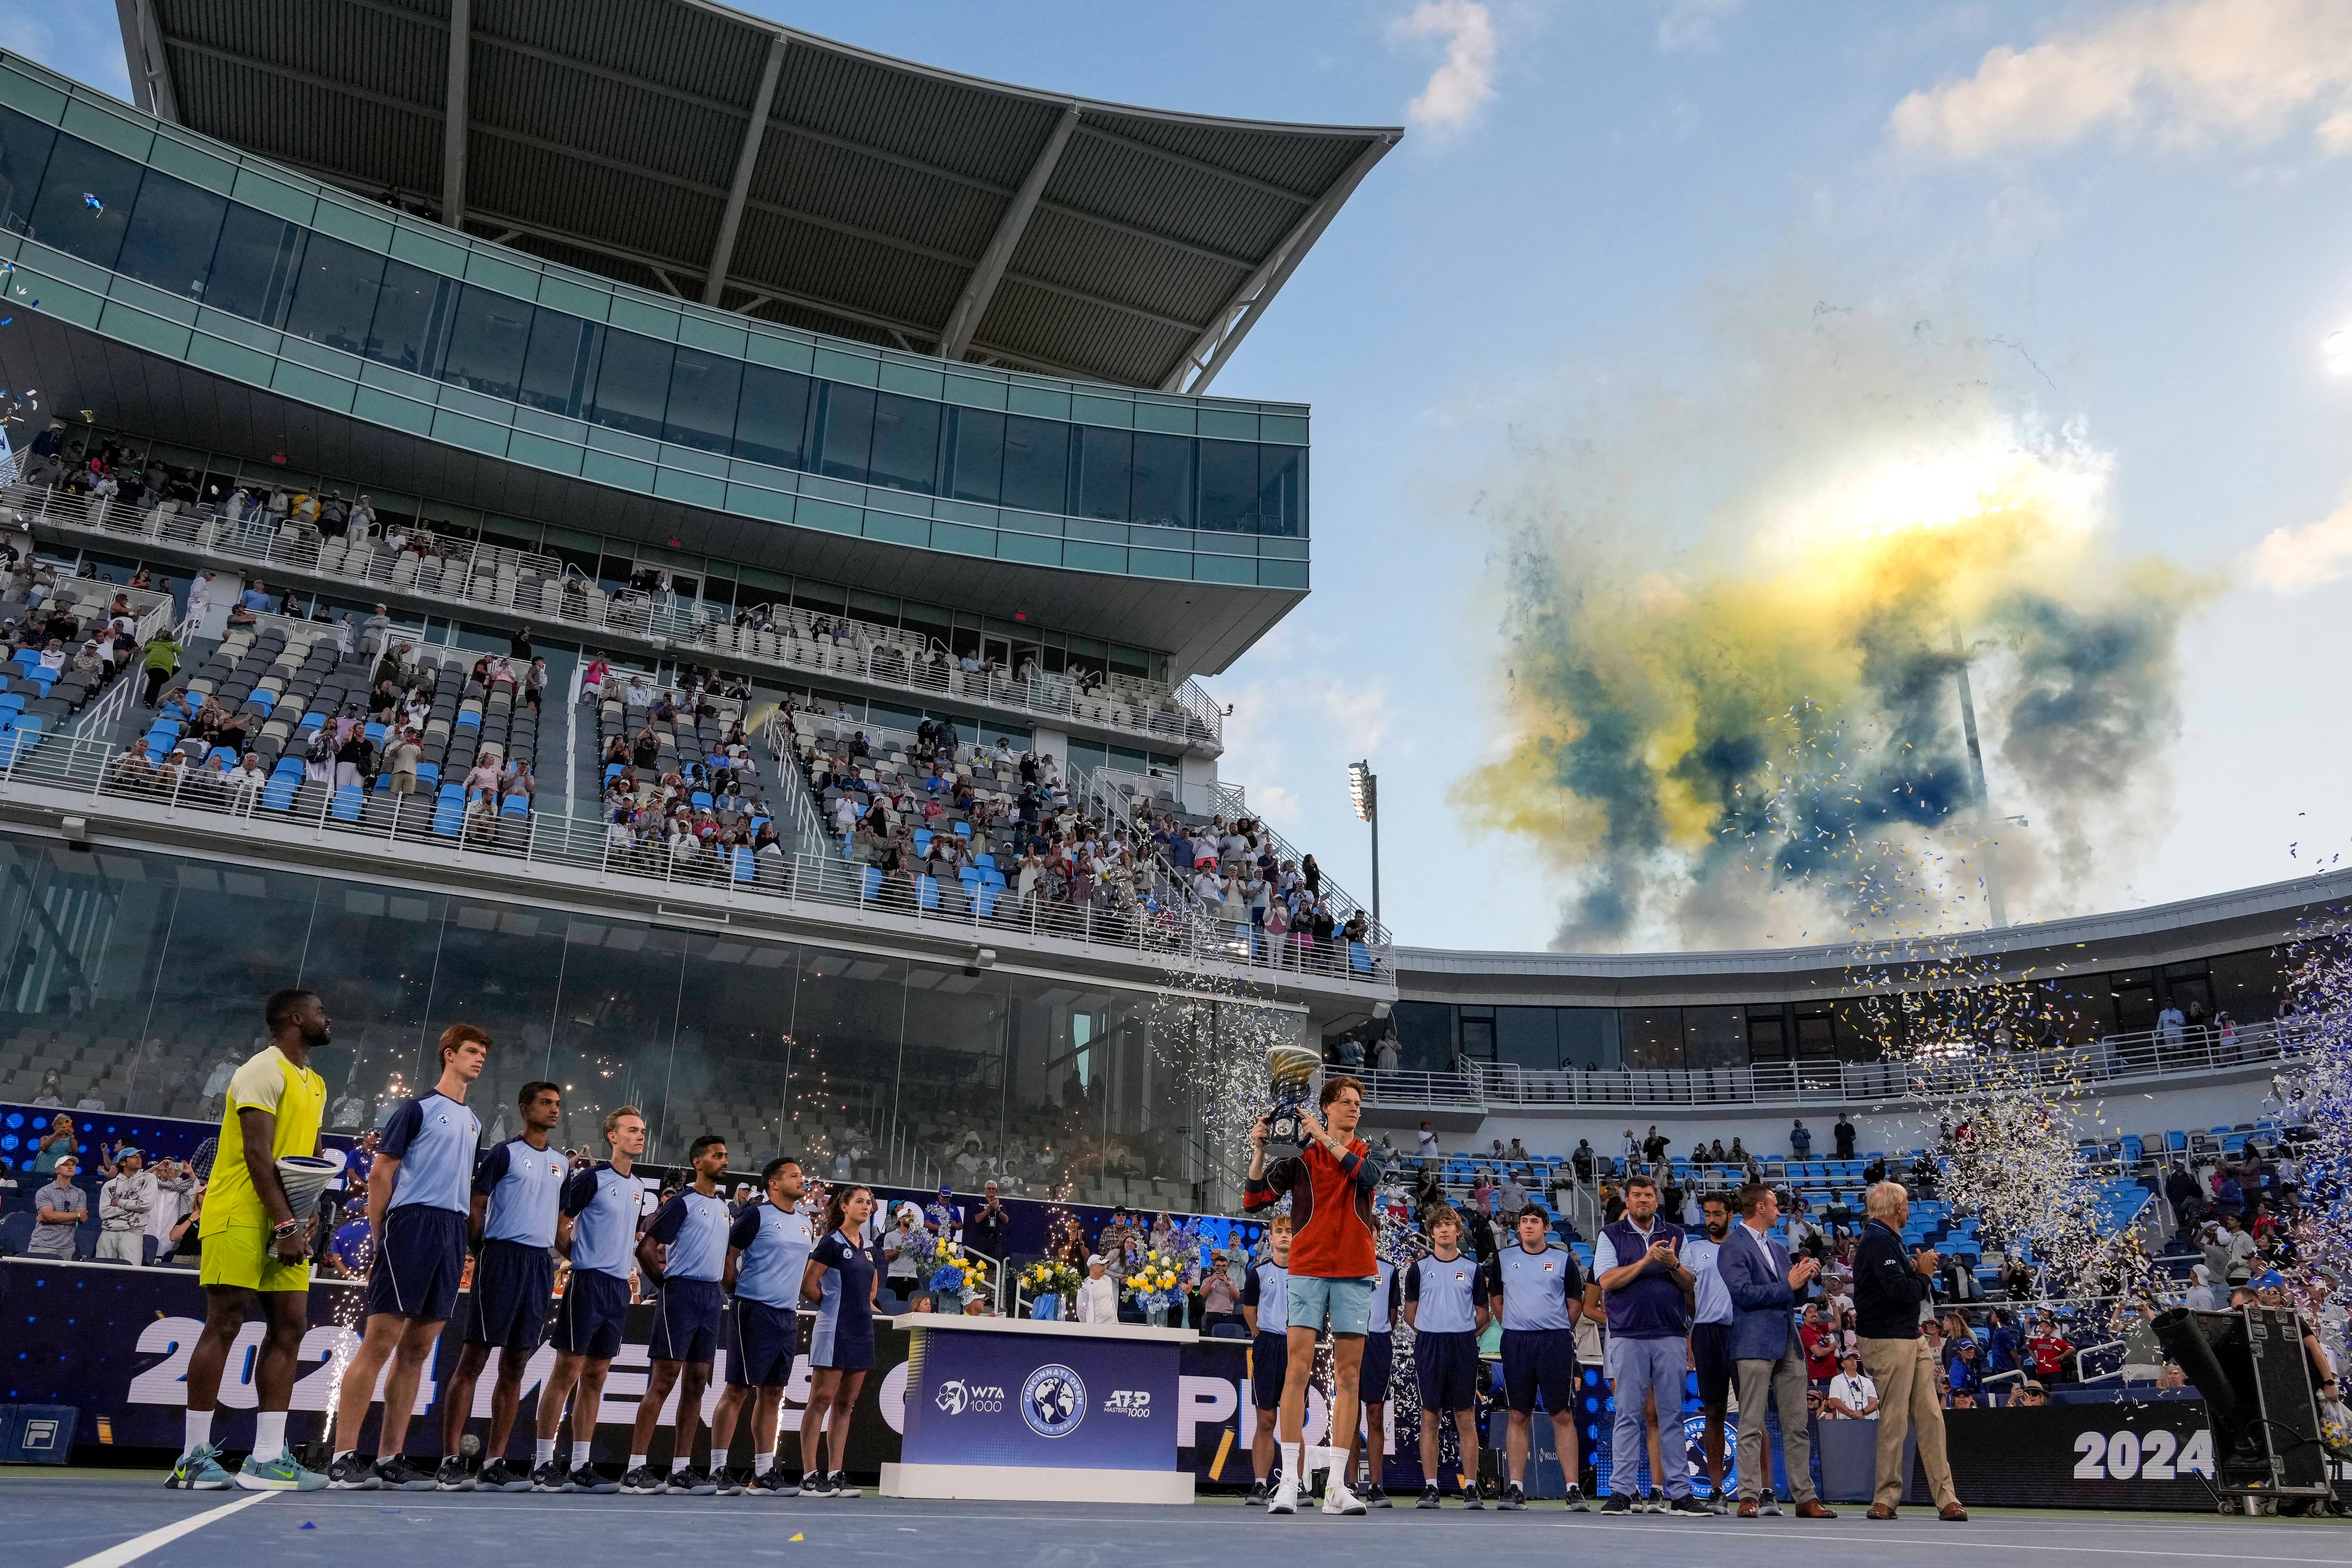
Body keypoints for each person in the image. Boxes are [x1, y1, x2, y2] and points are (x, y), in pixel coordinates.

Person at [174, 990, 333, 1492]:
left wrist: (302, 1217)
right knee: (226, 1321)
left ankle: (265, 1459)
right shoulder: (259, 1071)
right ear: (294, 1018)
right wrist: (286, 1224)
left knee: (291, 1326)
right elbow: (257, 1155)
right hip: (240, 1212)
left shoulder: (317, 1083)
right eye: (319, 1011)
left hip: (285, 1218)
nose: (326, 1018)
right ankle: (191, 1458)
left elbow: (308, 1156)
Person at [329, 1024, 490, 1490]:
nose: (479, 1059)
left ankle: (388, 1456)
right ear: (449, 1055)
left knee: (418, 1351)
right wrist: (384, 1235)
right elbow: (381, 1173)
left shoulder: (474, 1122)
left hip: (449, 1232)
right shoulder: (417, 1109)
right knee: (380, 1342)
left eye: (483, 1053)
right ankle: (343, 1455)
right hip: (410, 1225)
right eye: (471, 1051)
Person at [1243, 1073, 1385, 1516]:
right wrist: (1260, 1149)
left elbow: (1368, 1175)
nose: (1355, 1108)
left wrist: (1326, 1139)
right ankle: (1288, 1482)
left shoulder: (1365, 1150)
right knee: (1297, 1371)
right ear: (1326, 1106)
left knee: (1349, 1377)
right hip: (1307, 1270)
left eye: (1357, 1102)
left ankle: (1338, 1487)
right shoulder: (1302, 1159)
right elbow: (1254, 1199)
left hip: (1356, 1268)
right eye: (1346, 1102)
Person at [438, 1081, 567, 1490]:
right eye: (545, 1103)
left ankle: (495, 1462)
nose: (553, 1109)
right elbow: (475, 1206)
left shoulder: (562, 1164)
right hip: (500, 1258)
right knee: (473, 1359)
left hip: (538, 1264)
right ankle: (449, 1460)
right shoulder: (504, 1153)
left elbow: (560, 1221)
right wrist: (484, 1248)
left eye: (557, 1104)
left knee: (515, 1364)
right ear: (524, 1107)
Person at [532, 1106, 647, 1494]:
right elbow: (558, 1219)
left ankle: (581, 1464)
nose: (640, 1136)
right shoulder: (593, 1178)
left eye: (642, 1131)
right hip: (588, 1283)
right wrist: (575, 1256)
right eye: (632, 1130)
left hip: (617, 1289)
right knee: (567, 1372)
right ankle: (544, 1462)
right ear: (612, 1136)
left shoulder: (639, 1186)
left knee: (596, 1376)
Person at [622, 1134, 732, 1495]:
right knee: (665, 1380)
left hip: (710, 1296)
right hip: (681, 1292)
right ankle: (636, 1467)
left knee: (698, 1383)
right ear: (698, 1162)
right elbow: (646, 1248)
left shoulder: (723, 1206)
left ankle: (680, 1469)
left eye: (725, 1155)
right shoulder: (682, 1203)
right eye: (717, 1155)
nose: (724, 1160)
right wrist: (665, 1284)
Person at [1718, 1182, 1836, 1518]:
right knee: (1752, 1422)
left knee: (1797, 1424)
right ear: (1759, 1208)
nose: (1779, 1209)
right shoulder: (1733, 1247)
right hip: (1753, 1342)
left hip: (1788, 1341)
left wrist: (1806, 1278)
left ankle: (1805, 1496)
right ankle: (1748, 1495)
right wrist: (1789, 1284)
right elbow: (1744, 1294)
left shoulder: (1779, 1248)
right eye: (1774, 1204)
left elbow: (1793, 1297)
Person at [1852, 1180, 1967, 1519]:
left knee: (1931, 1417)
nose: (1908, 1210)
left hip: (1908, 1335)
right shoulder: (1877, 1241)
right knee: (1894, 1420)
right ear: (1896, 1208)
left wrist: (1916, 1270)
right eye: (1905, 1204)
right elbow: (1901, 1292)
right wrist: (1926, 1275)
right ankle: (1885, 1497)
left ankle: (1947, 1498)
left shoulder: (1887, 1241)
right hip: (1889, 1339)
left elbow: (1897, 1284)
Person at [707, 1156, 816, 1495]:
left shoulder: (805, 1222)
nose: (802, 1180)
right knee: (738, 1389)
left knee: (773, 1393)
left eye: (801, 1175)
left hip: (786, 1316)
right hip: (752, 1310)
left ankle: (763, 1473)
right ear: (773, 1182)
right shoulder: (756, 1214)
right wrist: (731, 1288)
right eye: (794, 1175)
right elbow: (729, 1251)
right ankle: (717, 1469)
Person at [1591, 1173, 1698, 1514]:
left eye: (1649, 1195)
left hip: (1670, 1333)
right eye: (1636, 1195)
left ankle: (1680, 1493)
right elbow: (1607, 1280)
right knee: (1627, 1414)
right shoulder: (1610, 1235)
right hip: (1627, 1335)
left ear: (1657, 1200)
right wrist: (1646, 1261)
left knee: (1671, 1416)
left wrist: (1673, 1263)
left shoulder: (1677, 1234)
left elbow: (1690, 1282)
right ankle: (1622, 1492)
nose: (1643, 1200)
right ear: (1627, 1200)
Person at [1484, 1202, 1591, 1512]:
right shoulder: (1504, 1259)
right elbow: (1497, 1299)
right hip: (1517, 1342)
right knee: (1518, 1413)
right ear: (1518, 1228)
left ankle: (1573, 1489)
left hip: (1555, 1341)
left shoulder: (1562, 1260)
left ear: (1547, 1227)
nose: (1528, 1225)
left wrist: (1554, 1329)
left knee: (1562, 1414)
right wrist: (1517, 1325)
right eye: (1524, 1221)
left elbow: (1575, 1302)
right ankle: (1516, 1488)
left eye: (1534, 1221)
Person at [1404, 1204, 1488, 1508]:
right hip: (1429, 1345)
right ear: (1431, 1231)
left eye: (1449, 1225)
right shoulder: (1419, 1270)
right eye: (1438, 1225)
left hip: (1462, 1346)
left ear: (1458, 1231)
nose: (1443, 1229)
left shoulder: (1472, 1269)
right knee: (1430, 1416)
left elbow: (1483, 1314)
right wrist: (1434, 1329)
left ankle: (1471, 1488)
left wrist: (1461, 1332)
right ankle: (1431, 1487)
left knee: (1465, 1416)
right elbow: (1410, 1315)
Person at [800, 1183, 879, 1498]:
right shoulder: (830, 1242)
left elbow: (871, 1291)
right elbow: (808, 1284)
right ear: (844, 1206)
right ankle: (809, 1474)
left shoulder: (870, 1247)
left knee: (846, 1404)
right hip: (833, 1329)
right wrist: (831, 1305)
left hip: (862, 1330)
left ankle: (835, 1472)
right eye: (859, 1201)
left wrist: (856, 1306)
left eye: (869, 1202)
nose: (866, 1206)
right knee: (820, 1400)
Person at [1684, 1191, 1738, 1512]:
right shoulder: (1694, 1250)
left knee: (1753, 1413)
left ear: (1731, 1214)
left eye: (1718, 1213)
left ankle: (1763, 1488)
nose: (1712, 1219)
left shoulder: (1743, 1247)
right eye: (1707, 1214)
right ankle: (1717, 1489)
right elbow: (1689, 1296)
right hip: (1707, 1332)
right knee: (1714, 1412)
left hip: (1742, 1332)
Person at [1240, 1212, 1295, 1504]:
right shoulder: (1257, 1273)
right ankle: (1260, 1484)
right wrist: (1262, 1336)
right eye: (1280, 1231)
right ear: (1271, 1238)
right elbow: (1250, 1311)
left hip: (1297, 1347)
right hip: (1267, 1346)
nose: (1285, 1235)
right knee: (1266, 1419)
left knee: (1293, 1420)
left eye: (1290, 1231)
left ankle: (1294, 1484)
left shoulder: (1305, 1274)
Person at [1346, 1253, 1403, 1508]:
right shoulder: (1343, 1264)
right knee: (1350, 1415)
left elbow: (1393, 1314)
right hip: (1349, 1339)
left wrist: (1377, 1332)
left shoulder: (1389, 1270)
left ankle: (1376, 1486)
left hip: (1379, 1343)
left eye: (1373, 1230)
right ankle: (1349, 1485)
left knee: (1375, 1414)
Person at [96, 1145, 156, 1263]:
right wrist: (134, 1207)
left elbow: (146, 1205)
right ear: (123, 1162)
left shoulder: (149, 1179)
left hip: (133, 1233)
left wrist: (119, 1202)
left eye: (139, 1157)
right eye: (134, 1157)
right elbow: (104, 1213)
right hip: (108, 1233)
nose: (139, 1159)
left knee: (130, 1274)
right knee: (102, 1272)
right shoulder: (109, 1185)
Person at [28, 1153, 85, 1259]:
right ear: (57, 1170)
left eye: (73, 1165)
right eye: (66, 1165)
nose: (70, 1167)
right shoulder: (44, 1192)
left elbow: (83, 1218)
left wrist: (50, 1219)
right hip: (43, 1245)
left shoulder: (80, 1193)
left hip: (67, 1248)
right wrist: (76, 1216)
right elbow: (50, 1216)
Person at [967, 1180, 1011, 1260]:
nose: (992, 1190)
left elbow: (1006, 1220)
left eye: (994, 1189)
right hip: (981, 1238)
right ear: (985, 1190)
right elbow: (977, 1219)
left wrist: (998, 1210)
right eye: (989, 1188)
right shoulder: (979, 1202)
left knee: (992, 1266)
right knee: (975, 1264)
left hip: (995, 1239)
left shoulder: (1000, 1203)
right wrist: (989, 1209)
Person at [1075, 1253, 1117, 1322]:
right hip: (1097, 1328)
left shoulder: (1108, 1280)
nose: (1104, 1268)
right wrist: (1088, 1327)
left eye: (1104, 1265)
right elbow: (1080, 1310)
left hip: (1113, 1326)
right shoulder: (1084, 1286)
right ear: (1092, 1267)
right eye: (1101, 1265)